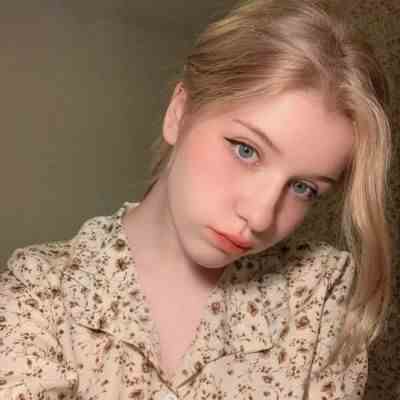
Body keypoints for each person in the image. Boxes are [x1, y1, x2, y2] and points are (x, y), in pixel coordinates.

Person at [0, 0, 392, 398]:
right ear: (179, 111)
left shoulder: (319, 290)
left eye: (303, 188)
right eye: (245, 150)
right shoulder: (40, 290)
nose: (260, 217)